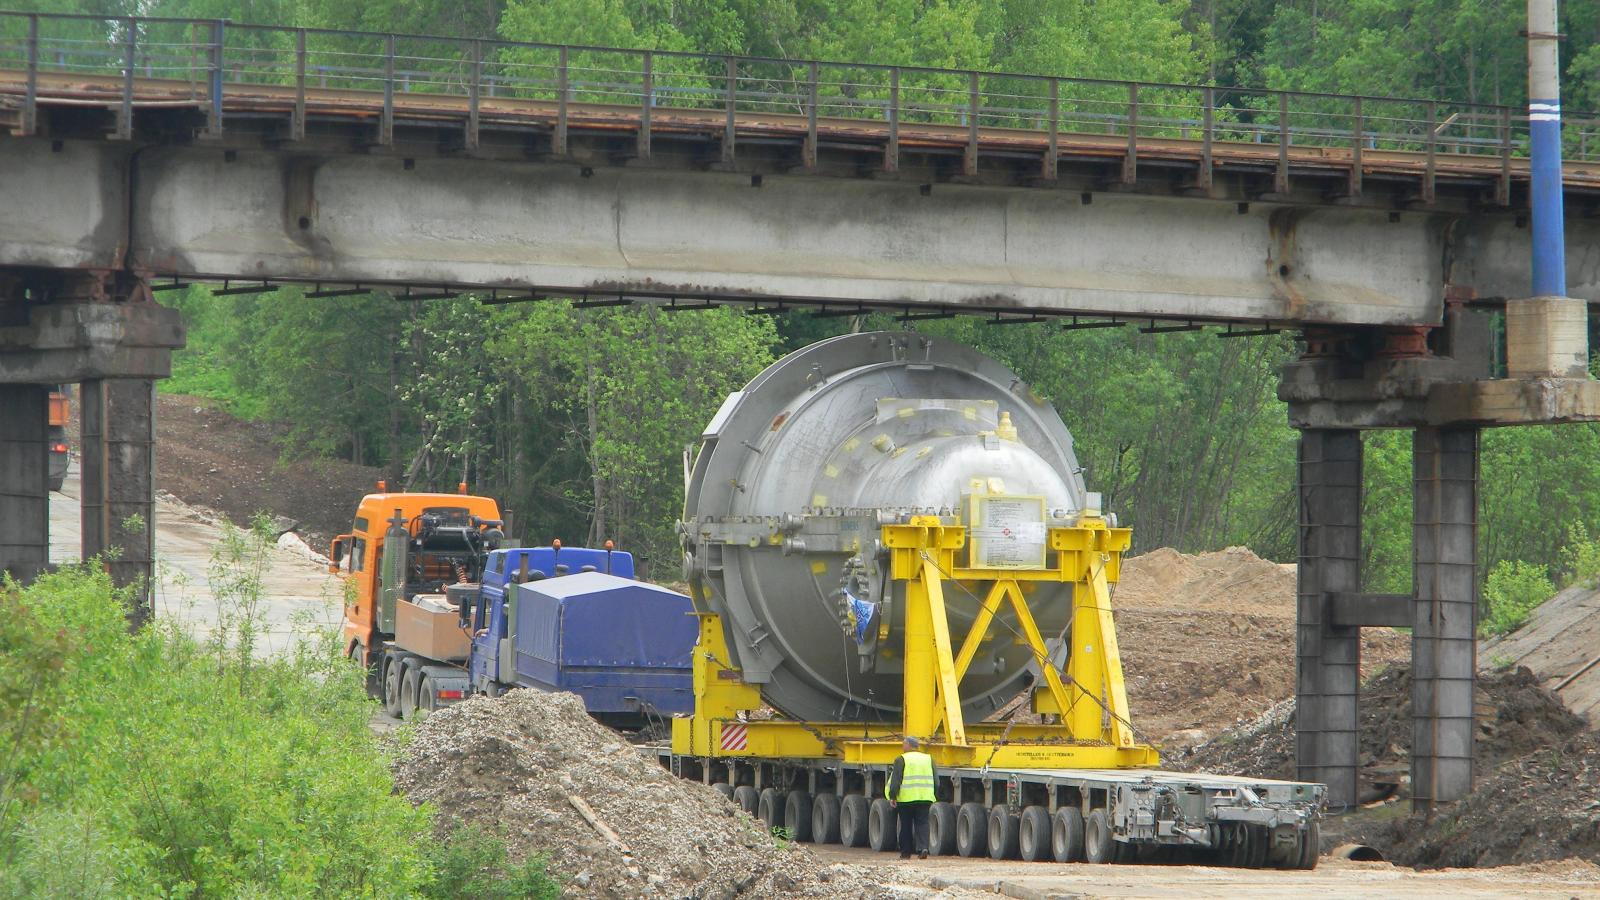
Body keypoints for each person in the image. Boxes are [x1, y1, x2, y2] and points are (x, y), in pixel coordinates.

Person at [886, 736, 936, 859]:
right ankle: (923, 848)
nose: (903, 746)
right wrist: (934, 794)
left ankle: (905, 853)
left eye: (904, 744)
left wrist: (893, 796)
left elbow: (896, 780)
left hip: (906, 799)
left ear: (908, 745)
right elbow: (937, 780)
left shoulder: (901, 759)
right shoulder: (928, 759)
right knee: (923, 823)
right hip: (925, 798)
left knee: (906, 825)